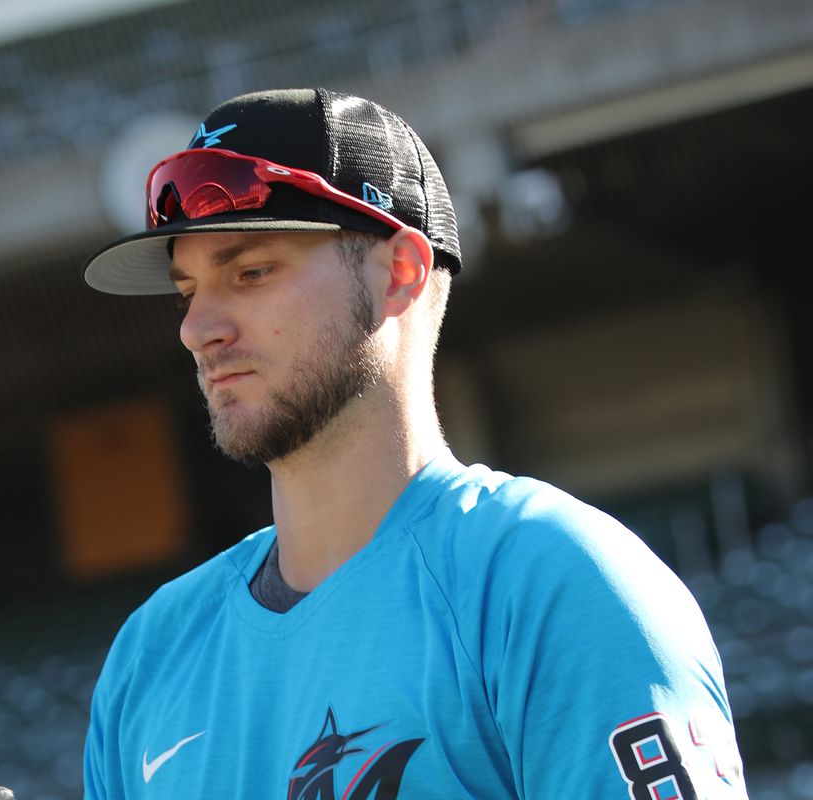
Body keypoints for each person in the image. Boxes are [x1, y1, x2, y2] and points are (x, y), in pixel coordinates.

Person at [79, 88, 747, 798]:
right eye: (187, 291)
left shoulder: (550, 582)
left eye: (250, 272)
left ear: (399, 272)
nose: (198, 327)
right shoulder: (150, 657)